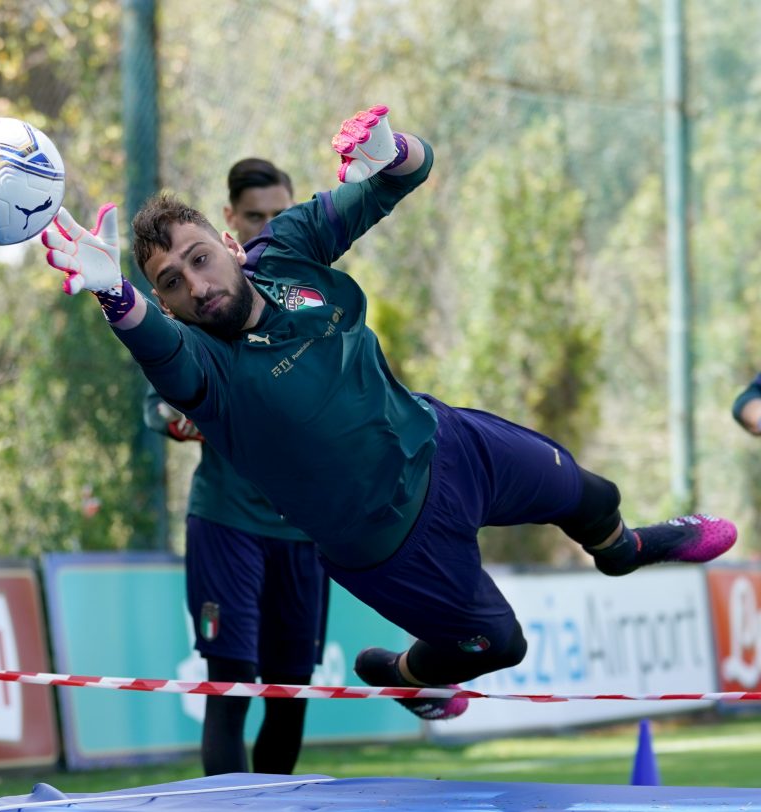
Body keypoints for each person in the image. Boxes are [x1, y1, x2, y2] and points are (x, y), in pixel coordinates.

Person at [41, 105, 737, 722]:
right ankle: (407, 676)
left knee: (596, 496)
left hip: (447, 446)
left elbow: (408, 173)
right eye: (171, 284)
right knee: (501, 644)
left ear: (229, 246)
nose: (195, 283)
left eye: (199, 259)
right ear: (166, 303)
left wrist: (393, 152)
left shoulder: (284, 250)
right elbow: (158, 351)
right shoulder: (204, 367)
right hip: (390, 545)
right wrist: (115, 298)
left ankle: (626, 552)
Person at [142, 158, 328, 776]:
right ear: (230, 223)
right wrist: (192, 415)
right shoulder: (194, 307)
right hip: (228, 526)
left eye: (281, 215)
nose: (269, 226)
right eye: (256, 217)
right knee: (230, 690)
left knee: (290, 698)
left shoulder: (310, 295)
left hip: (306, 532)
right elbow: (162, 404)